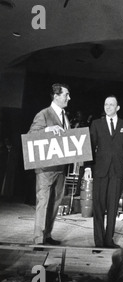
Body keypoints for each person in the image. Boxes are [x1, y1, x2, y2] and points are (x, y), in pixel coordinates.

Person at [89, 95, 123, 248]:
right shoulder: (96, 124)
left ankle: (108, 240)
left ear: (118, 108)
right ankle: (99, 242)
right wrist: (88, 168)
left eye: (111, 104)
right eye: (106, 104)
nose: (108, 107)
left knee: (113, 206)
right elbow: (90, 148)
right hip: (100, 171)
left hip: (117, 171)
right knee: (98, 207)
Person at [28, 83, 71, 245]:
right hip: (45, 168)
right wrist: (47, 130)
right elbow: (31, 135)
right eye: (66, 94)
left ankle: (47, 235)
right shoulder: (44, 114)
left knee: (55, 203)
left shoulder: (65, 116)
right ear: (56, 96)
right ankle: (38, 239)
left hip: (60, 167)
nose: (69, 98)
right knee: (43, 202)